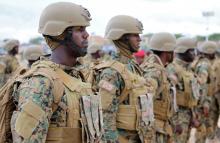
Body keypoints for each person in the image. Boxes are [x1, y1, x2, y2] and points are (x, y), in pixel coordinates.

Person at [9, 2, 103, 143]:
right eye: (79, 29)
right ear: (60, 33)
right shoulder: (41, 83)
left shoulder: (77, 74)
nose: (86, 35)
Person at [91, 15, 155, 143]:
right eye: (135, 35)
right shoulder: (111, 72)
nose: (139, 39)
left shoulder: (132, 66)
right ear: (123, 37)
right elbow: (105, 115)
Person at [140, 32, 176, 143]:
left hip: (160, 127)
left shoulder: (151, 66)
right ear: (167, 52)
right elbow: (145, 99)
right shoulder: (155, 71)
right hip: (155, 130)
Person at [166, 37, 200, 143]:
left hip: (187, 115)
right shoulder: (172, 68)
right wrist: (175, 122)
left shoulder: (188, 69)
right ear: (183, 51)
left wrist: (193, 116)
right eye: (191, 51)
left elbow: (190, 94)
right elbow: (170, 97)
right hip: (178, 118)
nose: (194, 54)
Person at [192, 41, 218, 143]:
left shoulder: (200, 62)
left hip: (205, 100)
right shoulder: (204, 65)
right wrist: (204, 104)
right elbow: (201, 85)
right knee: (201, 129)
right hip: (203, 102)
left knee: (206, 127)